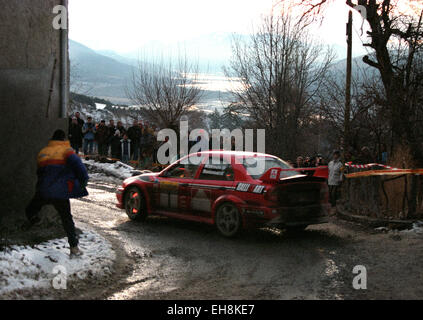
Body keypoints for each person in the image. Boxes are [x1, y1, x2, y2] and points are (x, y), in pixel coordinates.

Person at [24, 130, 89, 257]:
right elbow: (81, 170)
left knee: (30, 210)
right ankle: (74, 248)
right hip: (60, 193)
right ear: (63, 139)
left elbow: (40, 173)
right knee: (67, 219)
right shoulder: (67, 151)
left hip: (44, 191)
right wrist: (82, 183)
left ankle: (33, 221)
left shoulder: (43, 152)